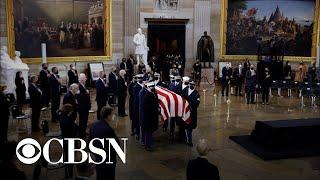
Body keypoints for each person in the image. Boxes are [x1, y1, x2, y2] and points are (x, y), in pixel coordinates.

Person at [89, 107, 120, 180]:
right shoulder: (109, 130)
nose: (113, 116)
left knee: (100, 176)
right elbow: (116, 145)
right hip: (108, 160)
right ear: (108, 116)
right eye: (112, 114)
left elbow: (90, 141)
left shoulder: (94, 125)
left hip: (98, 158)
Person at [58, 104, 78, 179]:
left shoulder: (62, 117)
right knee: (70, 159)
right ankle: (70, 174)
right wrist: (75, 124)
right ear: (69, 111)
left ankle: (68, 172)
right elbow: (74, 129)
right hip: (70, 140)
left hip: (65, 139)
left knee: (67, 157)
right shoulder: (69, 121)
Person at [142, 82, 159, 151]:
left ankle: (150, 143)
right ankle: (147, 146)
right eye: (151, 87)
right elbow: (146, 108)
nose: (153, 88)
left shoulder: (154, 94)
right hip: (148, 117)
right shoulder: (147, 96)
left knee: (151, 131)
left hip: (152, 117)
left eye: (153, 87)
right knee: (148, 132)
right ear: (148, 88)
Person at [183, 81, 200, 146]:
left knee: (190, 127)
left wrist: (189, 102)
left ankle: (189, 140)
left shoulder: (196, 94)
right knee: (186, 125)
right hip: (185, 112)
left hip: (192, 112)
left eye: (193, 85)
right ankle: (188, 138)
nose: (192, 86)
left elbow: (197, 103)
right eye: (191, 84)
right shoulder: (185, 90)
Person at [78, 73, 91, 138]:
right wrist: (86, 93)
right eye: (85, 77)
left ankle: (83, 131)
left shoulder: (83, 85)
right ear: (82, 79)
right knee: (82, 121)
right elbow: (80, 97)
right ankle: (81, 134)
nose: (86, 78)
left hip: (85, 106)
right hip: (82, 107)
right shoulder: (79, 86)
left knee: (85, 120)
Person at [132, 74, 144, 140]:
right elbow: (136, 98)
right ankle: (137, 133)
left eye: (141, 79)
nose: (140, 80)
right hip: (137, 106)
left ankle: (140, 133)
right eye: (139, 79)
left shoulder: (143, 86)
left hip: (141, 106)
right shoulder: (135, 87)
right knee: (137, 120)